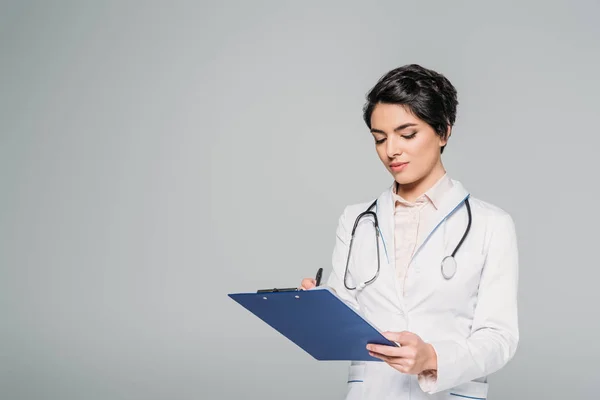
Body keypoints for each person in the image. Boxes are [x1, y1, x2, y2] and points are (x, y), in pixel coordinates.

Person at [300, 64, 519, 399]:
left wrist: (432, 358)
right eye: (380, 138)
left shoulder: (492, 225)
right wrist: (319, 307)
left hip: (446, 392)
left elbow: (499, 338)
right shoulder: (356, 219)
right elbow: (348, 312)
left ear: (444, 132)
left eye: (407, 134)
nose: (391, 151)